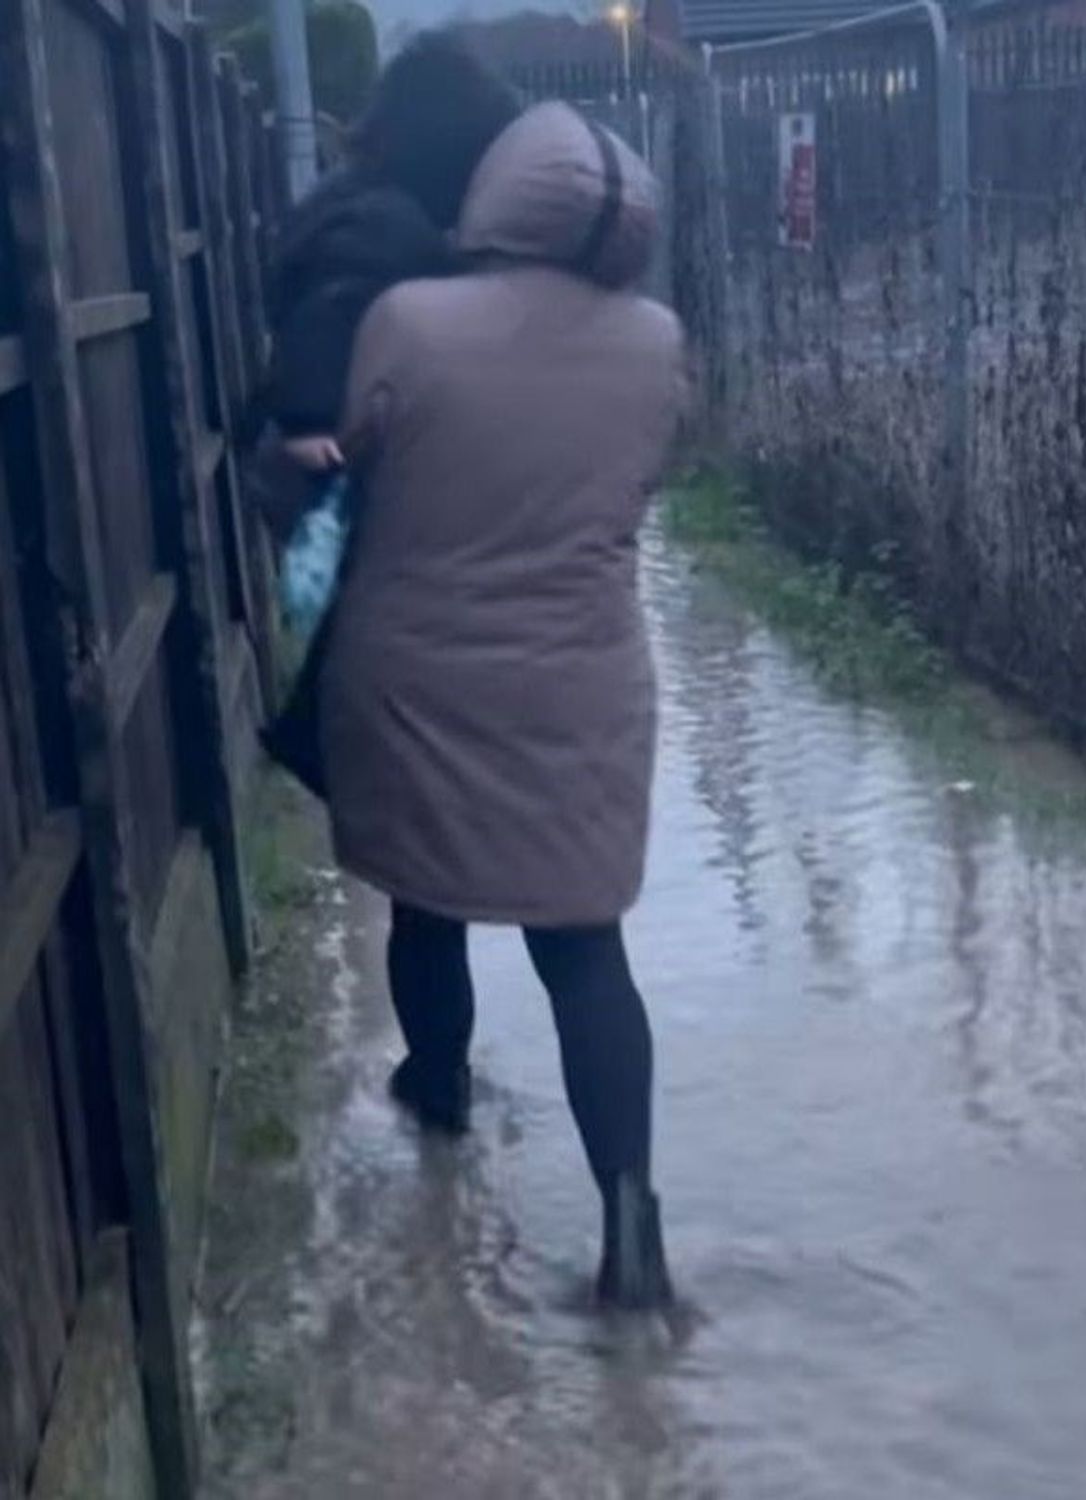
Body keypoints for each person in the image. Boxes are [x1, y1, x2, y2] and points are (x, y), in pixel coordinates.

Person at [261, 99, 692, 1308]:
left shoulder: (408, 321)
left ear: (497, 195)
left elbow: (345, 467)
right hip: (585, 680)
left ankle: (438, 1102)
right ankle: (631, 1233)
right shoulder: (655, 341)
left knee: (424, 901)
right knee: (584, 949)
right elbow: (647, 476)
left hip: (417, 672)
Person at [254, 32, 524, 796]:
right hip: (338, 464)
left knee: (369, 636)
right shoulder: (386, 227)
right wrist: (316, 428)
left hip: (319, 467)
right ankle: (319, 741)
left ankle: (330, 742)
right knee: (386, 641)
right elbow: (327, 325)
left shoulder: (358, 205)